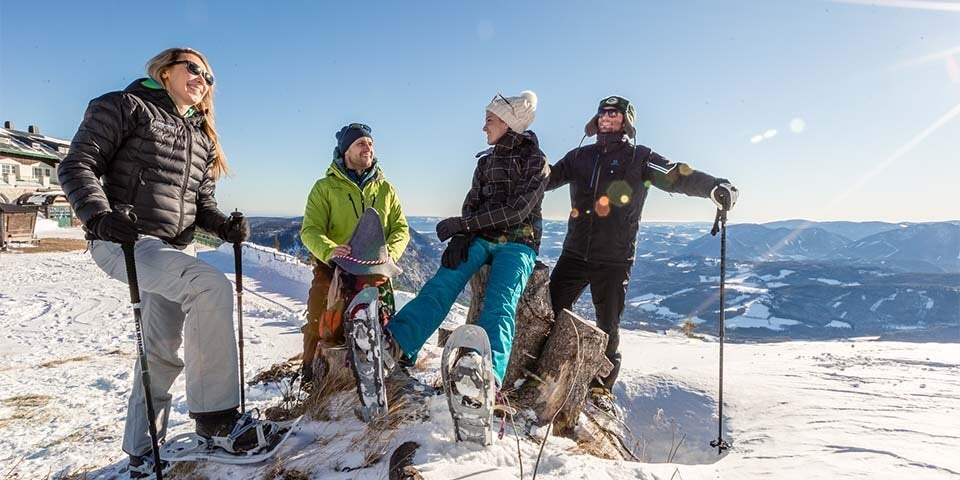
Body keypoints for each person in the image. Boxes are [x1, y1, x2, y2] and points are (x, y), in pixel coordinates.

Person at [58, 47, 281, 479]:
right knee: (209, 287)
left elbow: (201, 205)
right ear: (164, 71)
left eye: (210, 77)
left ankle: (141, 451)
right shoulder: (124, 106)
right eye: (193, 69)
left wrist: (225, 226)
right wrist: (100, 217)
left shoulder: (201, 138)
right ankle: (216, 422)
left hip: (175, 249)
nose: (202, 79)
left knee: (159, 353)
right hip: (124, 239)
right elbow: (77, 164)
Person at [546, 95, 739, 411]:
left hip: (614, 259)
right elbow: (546, 178)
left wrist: (712, 186)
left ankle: (600, 388)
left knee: (607, 326)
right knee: (551, 310)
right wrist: (524, 166)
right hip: (574, 253)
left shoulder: (640, 158)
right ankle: (540, 370)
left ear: (627, 122)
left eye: (615, 114)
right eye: (603, 113)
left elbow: (677, 176)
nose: (607, 118)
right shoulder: (579, 156)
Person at [380, 90, 548, 393]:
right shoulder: (485, 163)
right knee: (441, 285)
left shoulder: (535, 161)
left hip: (519, 242)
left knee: (500, 305)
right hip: (481, 238)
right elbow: (471, 204)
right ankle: (395, 345)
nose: (484, 127)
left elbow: (517, 211)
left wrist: (464, 225)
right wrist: (463, 235)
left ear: (508, 122)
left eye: (489, 120)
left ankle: (485, 376)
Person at [299, 123, 409, 385]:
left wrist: (390, 252)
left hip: (376, 267)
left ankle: (390, 370)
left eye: (370, 143)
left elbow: (400, 228)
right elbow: (310, 230)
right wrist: (329, 250)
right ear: (345, 150)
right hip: (335, 266)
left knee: (383, 322)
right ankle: (310, 376)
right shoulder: (325, 187)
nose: (368, 147)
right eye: (361, 143)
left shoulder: (385, 189)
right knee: (319, 317)